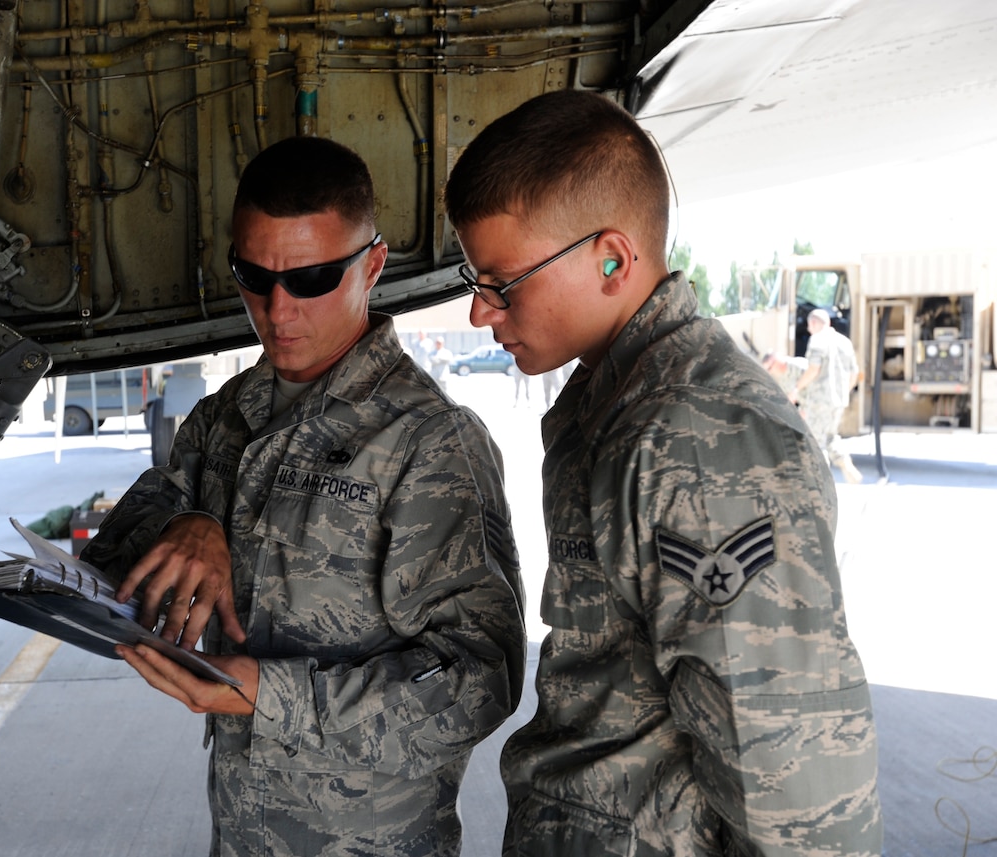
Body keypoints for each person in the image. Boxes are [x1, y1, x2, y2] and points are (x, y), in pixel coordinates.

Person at [445, 90, 882, 856]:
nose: (481, 314)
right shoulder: (618, 405)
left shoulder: (698, 439)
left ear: (612, 258)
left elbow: (785, 769)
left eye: (501, 283)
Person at [82, 136, 525, 856]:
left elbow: (480, 680)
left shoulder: (430, 442)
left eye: (314, 277)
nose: (277, 307)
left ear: (373, 265)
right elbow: (117, 552)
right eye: (253, 276)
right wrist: (193, 520)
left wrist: (270, 694)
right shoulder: (225, 418)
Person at [792, 308, 864, 483]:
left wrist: (796, 388)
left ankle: (820, 482)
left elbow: (813, 370)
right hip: (838, 402)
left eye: (809, 326)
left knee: (815, 442)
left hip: (818, 401)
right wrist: (843, 391)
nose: (809, 330)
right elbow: (855, 373)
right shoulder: (845, 342)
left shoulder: (817, 340)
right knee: (831, 436)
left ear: (814, 323)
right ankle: (846, 465)